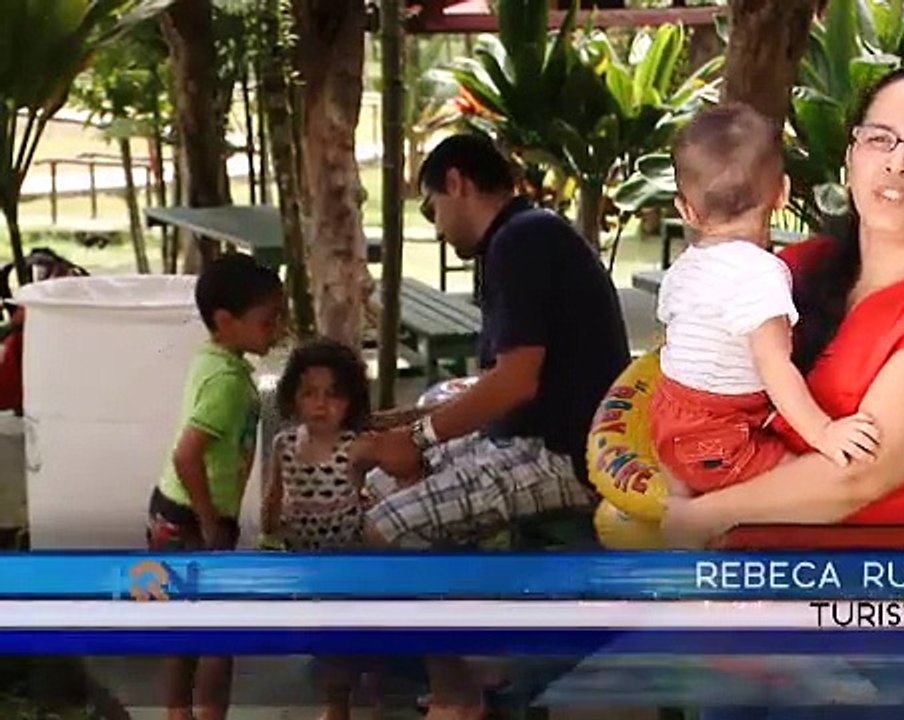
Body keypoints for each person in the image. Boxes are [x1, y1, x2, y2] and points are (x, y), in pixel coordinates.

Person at [661, 66, 904, 719]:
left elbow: (854, 478)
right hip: (743, 627)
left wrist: (701, 517)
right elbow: (698, 371)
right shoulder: (792, 270)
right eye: (879, 138)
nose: (896, 162)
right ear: (850, 156)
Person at [359, 132, 631, 720]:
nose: (436, 227)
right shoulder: (523, 235)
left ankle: (458, 696)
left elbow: (515, 383)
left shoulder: (520, 242)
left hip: (565, 457)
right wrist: (407, 424)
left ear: (457, 183)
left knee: (386, 529)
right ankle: (469, 661)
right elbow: (496, 381)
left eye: (432, 207)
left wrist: (418, 439)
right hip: (532, 439)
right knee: (379, 487)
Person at [649, 102, 881, 496]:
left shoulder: (685, 267)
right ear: (783, 194)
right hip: (720, 429)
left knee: (695, 491)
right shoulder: (760, 273)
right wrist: (824, 432)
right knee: (805, 485)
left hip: (667, 416)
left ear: (686, 210)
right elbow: (774, 367)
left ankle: (682, 510)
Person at [148, 252, 284, 720]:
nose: (278, 329)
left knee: (181, 630)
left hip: (174, 508)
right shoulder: (227, 381)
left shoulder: (213, 359)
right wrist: (210, 522)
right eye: (268, 321)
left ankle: (177, 713)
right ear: (226, 321)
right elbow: (186, 455)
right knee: (219, 633)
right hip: (194, 518)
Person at [261, 338, 378, 720]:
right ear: (293, 397)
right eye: (309, 393)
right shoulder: (284, 445)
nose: (320, 404)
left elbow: (374, 494)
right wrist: (269, 530)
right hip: (304, 559)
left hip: (348, 560)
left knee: (344, 638)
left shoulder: (356, 447)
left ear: (351, 401)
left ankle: (344, 703)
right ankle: (340, 696)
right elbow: (274, 494)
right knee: (322, 637)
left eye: (333, 395)